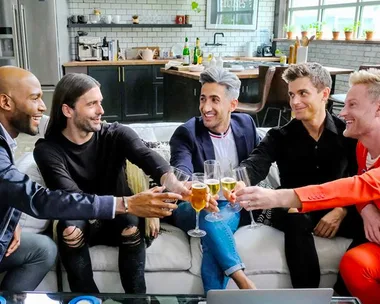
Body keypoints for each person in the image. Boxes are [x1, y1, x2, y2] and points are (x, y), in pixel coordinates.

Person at [0, 66, 180, 292]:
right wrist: (128, 203)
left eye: (100, 102)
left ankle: (137, 298)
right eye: (91, 104)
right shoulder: (47, 150)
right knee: (70, 228)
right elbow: (60, 199)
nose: (101, 110)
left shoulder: (115, 133)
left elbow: (146, 156)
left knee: (131, 223)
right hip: (81, 215)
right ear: (68, 110)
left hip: (120, 216)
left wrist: (175, 183)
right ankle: (87, 298)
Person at [233, 68, 380, 304]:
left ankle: (343, 296)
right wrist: (239, 179)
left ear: (324, 94)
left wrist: (341, 211)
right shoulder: (279, 136)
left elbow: (357, 182)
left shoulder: (349, 133)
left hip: (339, 207)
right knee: (295, 217)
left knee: (369, 226)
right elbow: (255, 164)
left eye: (303, 93)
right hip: (295, 209)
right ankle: (308, 298)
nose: (295, 101)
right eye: (291, 95)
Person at [169, 66, 260, 292]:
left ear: (232, 105)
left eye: (214, 100)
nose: (205, 107)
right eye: (202, 99)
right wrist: (188, 186)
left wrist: (244, 185)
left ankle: (212, 299)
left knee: (213, 236)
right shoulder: (186, 132)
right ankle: (244, 282)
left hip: (232, 205)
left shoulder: (246, 125)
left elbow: (258, 164)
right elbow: (182, 168)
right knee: (212, 218)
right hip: (194, 207)